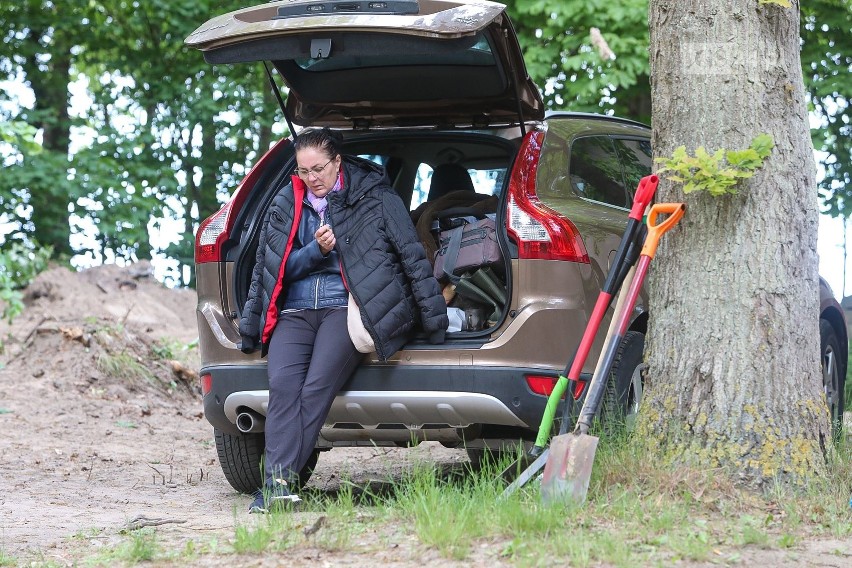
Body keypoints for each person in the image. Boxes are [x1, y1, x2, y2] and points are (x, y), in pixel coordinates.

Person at [238, 127, 448, 513]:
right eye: (304, 171)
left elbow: (411, 256)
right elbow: (272, 269)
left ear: (337, 162)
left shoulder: (375, 198)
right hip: (295, 310)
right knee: (283, 386)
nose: (312, 178)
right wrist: (314, 252)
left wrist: (435, 320)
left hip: (344, 308)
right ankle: (279, 487)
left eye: (318, 168)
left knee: (316, 389)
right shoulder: (287, 202)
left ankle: (275, 486)